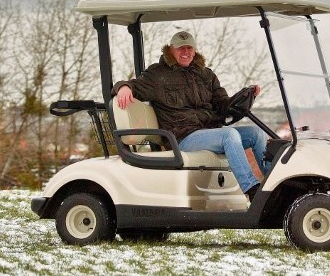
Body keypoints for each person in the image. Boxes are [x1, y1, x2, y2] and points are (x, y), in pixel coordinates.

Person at [112, 30, 267, 201]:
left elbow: (223, 104)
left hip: (209, 133)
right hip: (182, 137)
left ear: (194, 50)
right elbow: (135, 86)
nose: (185, 52)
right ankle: (253, 191)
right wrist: (123, 87)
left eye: (189, 48)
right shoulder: (158, 75)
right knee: (229, 135)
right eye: (180, 49)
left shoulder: (206, 75)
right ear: (171, 50)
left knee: (256, 133)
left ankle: (273, 186)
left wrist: (246, 96)